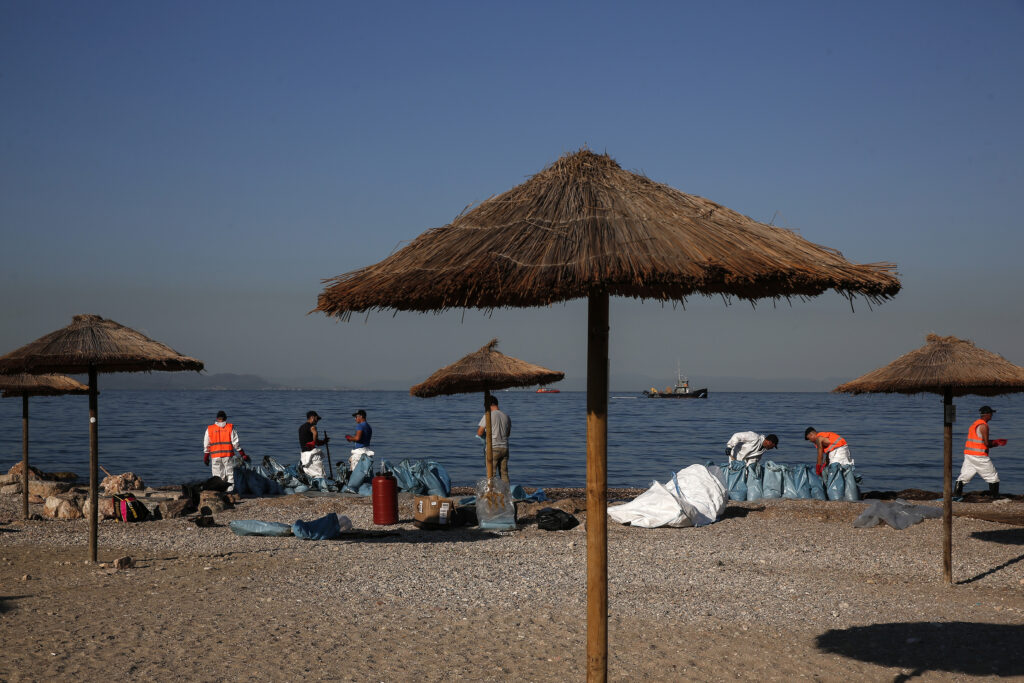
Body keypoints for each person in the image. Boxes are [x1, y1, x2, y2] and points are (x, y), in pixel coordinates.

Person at [954, 405, 1007, 498]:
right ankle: (995, 496)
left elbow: (979, 440)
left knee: (964, 476)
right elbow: (986, 443)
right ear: (986, 415)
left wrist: (994, 441)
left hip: (969, 455)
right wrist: (996, 443)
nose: (991, 416)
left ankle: (956, 495)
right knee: (993, 476)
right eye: (991, 414)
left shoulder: (974, 424)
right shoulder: (984, 426)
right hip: (980, 456)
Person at [203, 410, 248, 492]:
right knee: (230, 475)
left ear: (217, 418)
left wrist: (206, 456)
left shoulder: (210, 429)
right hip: (228, 456)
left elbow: (206, 444)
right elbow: (235, 443)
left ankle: (218, 493)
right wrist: (242, 454)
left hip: (215, 457)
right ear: (226, 418)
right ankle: (230, 492)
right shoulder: (230, 427)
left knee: (217, 476)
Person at [476, 396, 511, 484]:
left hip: (493, 448)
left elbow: (479, 432)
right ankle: (506, 494)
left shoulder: (488, 415)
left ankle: (491, 494)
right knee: (504, 474)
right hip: (504, 448)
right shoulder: (506, 416)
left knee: (491, 474)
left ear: (489, 404)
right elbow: (507, 434)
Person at [298, 410, 329, 479]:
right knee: (319, 474)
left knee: (309, 473)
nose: (317, 421)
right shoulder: (312, 426)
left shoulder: (301, 427)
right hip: (312, 455)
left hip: (304, 455)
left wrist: (323, 441)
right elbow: (315, 433)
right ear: (312, 417)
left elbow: (316, 442)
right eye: (316, 419)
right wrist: (313, 442)